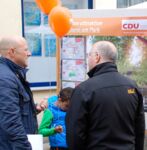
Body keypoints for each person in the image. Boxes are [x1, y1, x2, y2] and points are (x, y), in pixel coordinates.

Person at [66, 41, 145, 150]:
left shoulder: (83, 90)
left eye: (89, 55)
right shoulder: (132, 86)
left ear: (97, 57)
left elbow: (74, 135)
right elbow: (139, 129)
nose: (87, 60)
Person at [0, 36, 47, 150]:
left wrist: (35, 108)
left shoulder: (13, 74)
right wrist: (25, 147)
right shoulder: (5, 78)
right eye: (26, 50)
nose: (29, 53)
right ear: (11, 52)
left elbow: (16, 109)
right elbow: (11, 122)